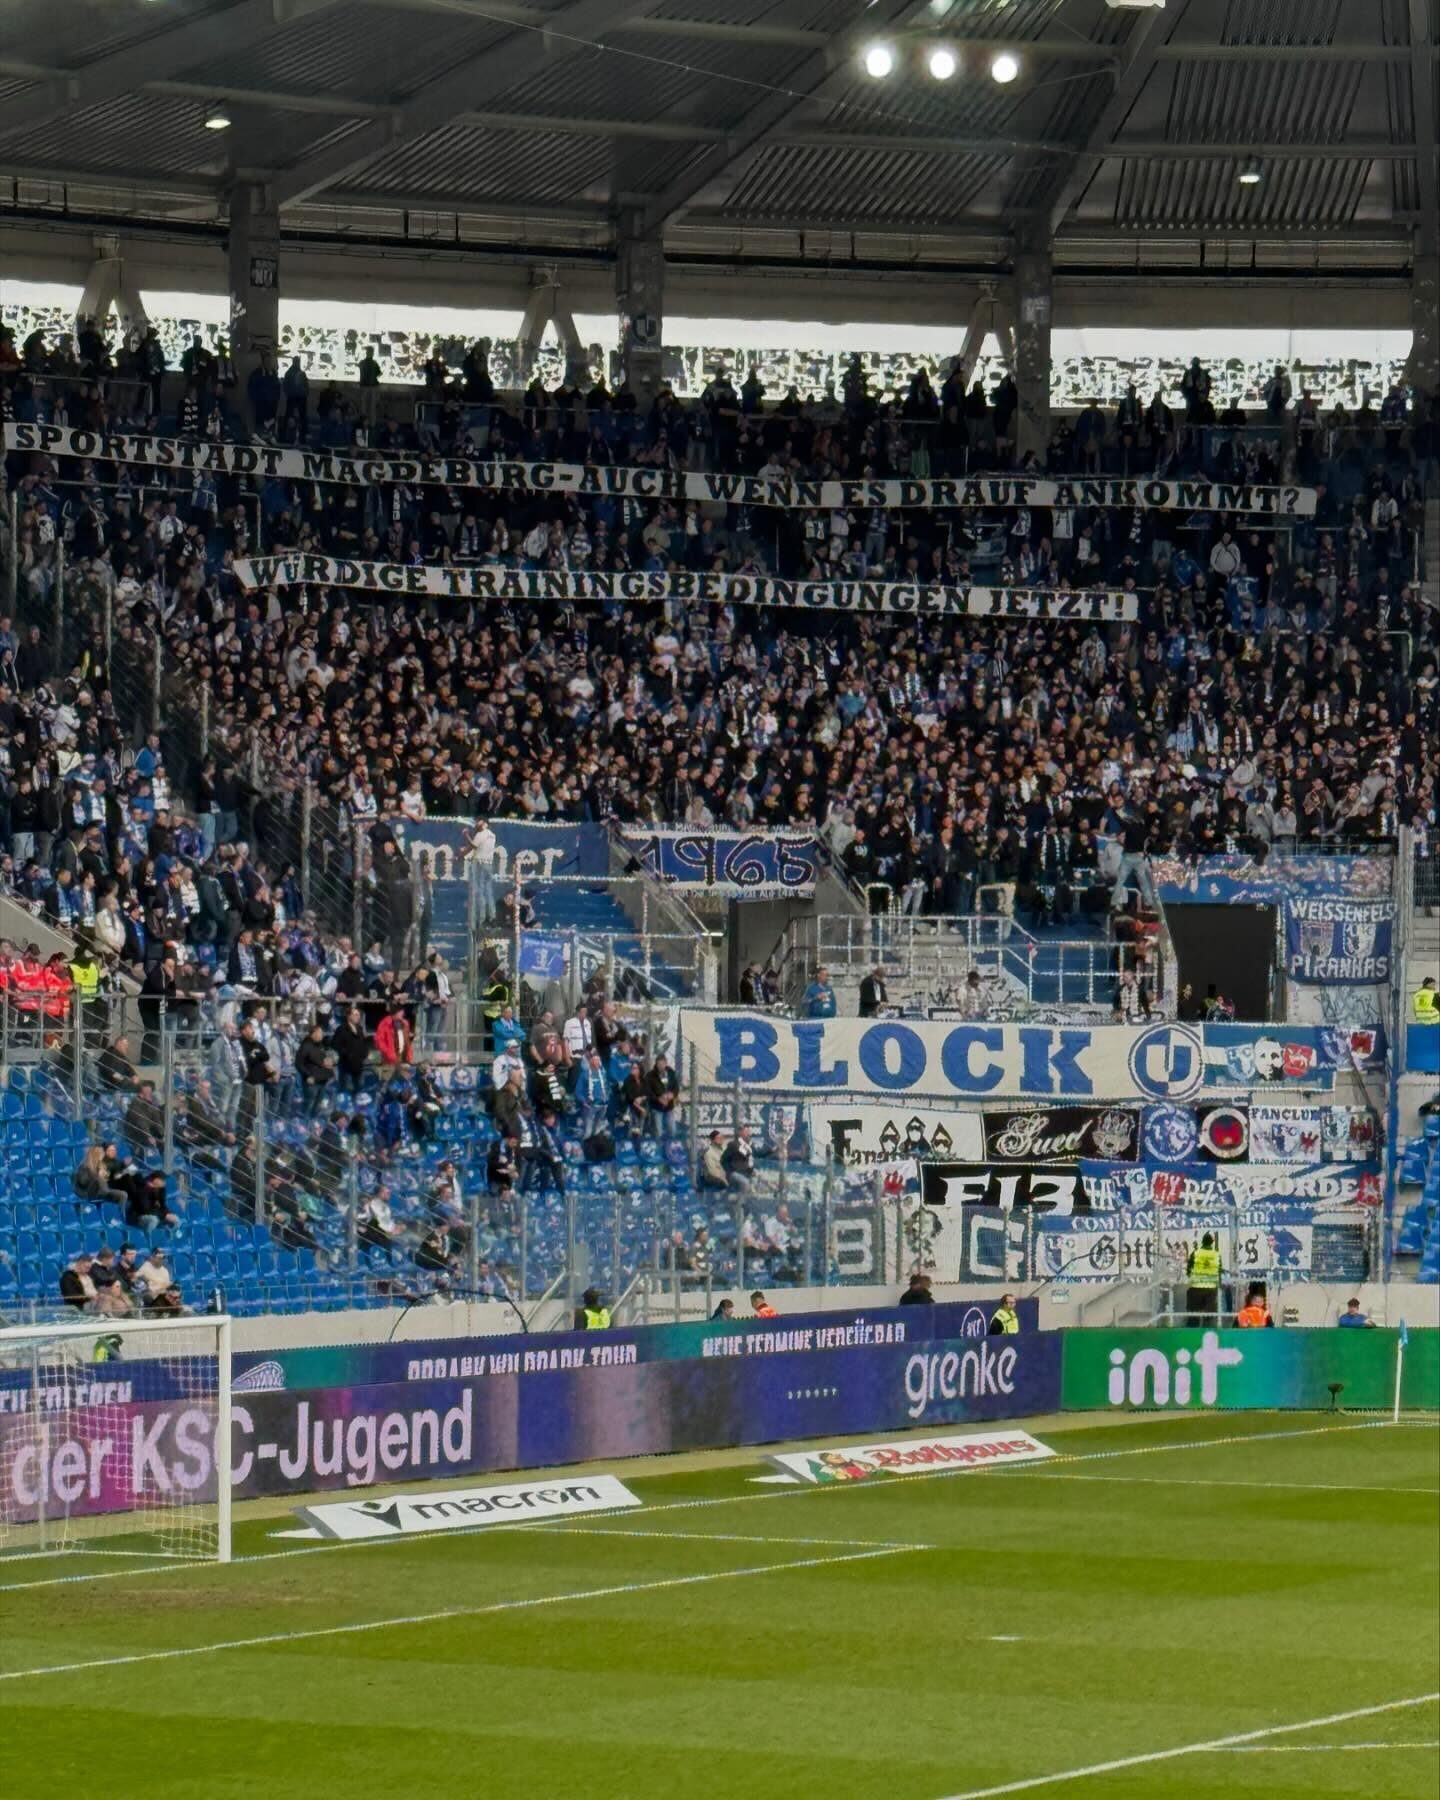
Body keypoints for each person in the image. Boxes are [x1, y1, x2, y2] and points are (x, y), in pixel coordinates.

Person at [1185, 1232, 1222, 1325]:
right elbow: (1219, 1271)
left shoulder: (1195, 1253)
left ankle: (1192, 1329)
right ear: (1212, 1242)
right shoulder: (1216, 1255)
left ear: (1202, 1242)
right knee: (1209, 1315)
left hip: (1196, 1287)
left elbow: (1188, 1269)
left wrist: (1191, 1277)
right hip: (1211, 1288)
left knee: (1194, 1314)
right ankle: (1207, 1328)